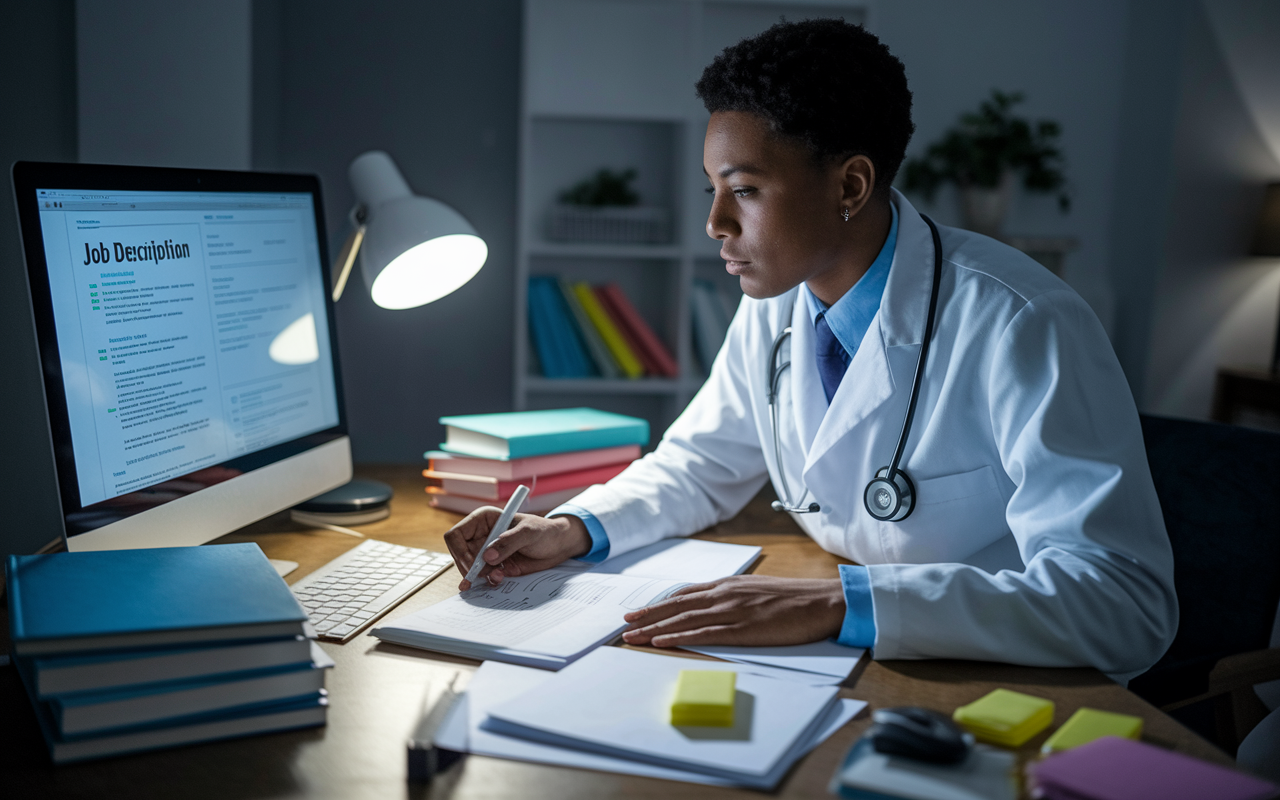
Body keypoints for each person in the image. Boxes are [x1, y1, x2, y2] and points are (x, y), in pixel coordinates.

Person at [444, 19, 1177, 683]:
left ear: (850, 184)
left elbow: (1123, 605)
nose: (714, 224)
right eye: (711, 189)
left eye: (746, 190)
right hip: (864, 656)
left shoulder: (1023, 322)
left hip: (1002, 674)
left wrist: (841, 601)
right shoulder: (777, 304)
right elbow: (700, 466)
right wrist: (573, 528)